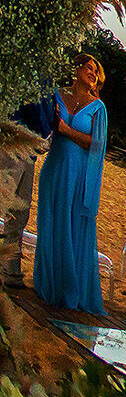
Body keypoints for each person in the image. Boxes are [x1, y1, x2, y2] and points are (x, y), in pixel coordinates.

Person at [33, 52, 108, 314]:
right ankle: (48, 285)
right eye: (88, 67)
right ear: (75, 69)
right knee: (51, 223)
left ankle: (68, 288)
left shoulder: (98, 108)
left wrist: (66, 130)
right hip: (54, 168)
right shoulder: (56, 95)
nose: (92, 73)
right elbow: (43, 125)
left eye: (96, 71)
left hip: (79, 174)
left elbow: (97, 145)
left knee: (72, 226)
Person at [3, 91, 55, 291]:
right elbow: (33, 105)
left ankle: (11, 271)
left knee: (20, 214)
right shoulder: (37, 77)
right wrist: (44, 136)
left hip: (28, 151)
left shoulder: (52, 84)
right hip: (14, 144)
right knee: (9, 207)